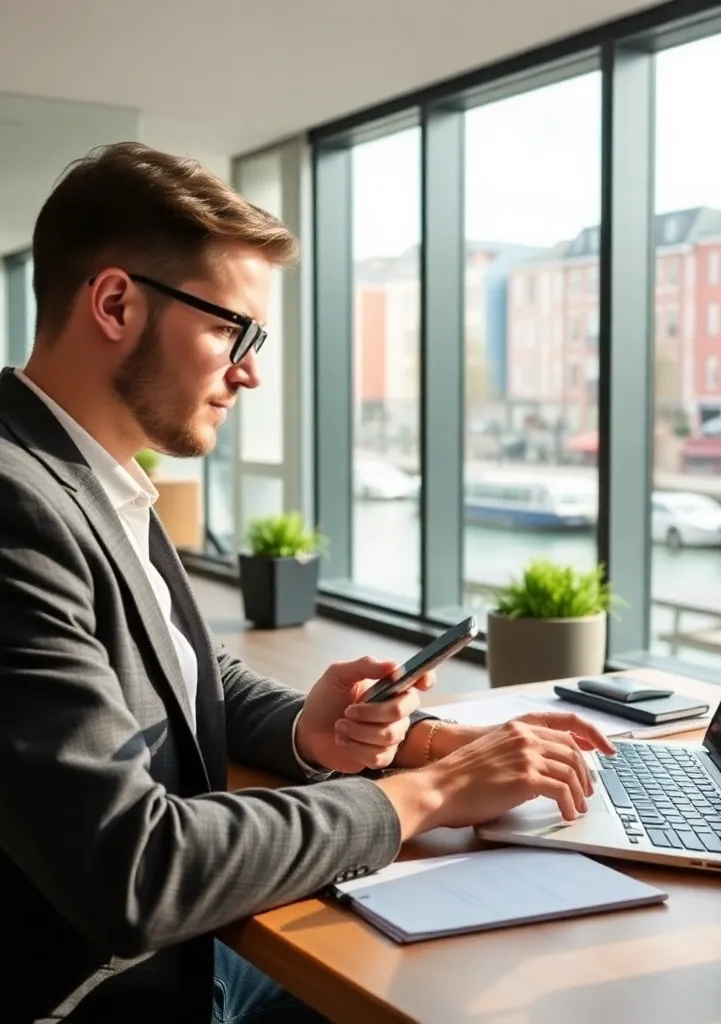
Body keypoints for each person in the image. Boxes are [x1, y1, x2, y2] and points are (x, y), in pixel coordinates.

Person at [0, 141, 616, 1024]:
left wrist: (332, 732)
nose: (249, 370)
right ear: (115, 303)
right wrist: (431, 795)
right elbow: (135, 870)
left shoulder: (91, 474)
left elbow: (182, 669)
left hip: (186, 959)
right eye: (232, 329)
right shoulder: (15, 504)